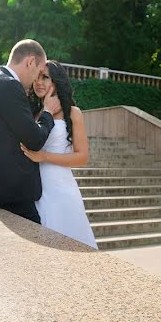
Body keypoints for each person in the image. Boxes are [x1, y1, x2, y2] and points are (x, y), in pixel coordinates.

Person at [0, 40, 61, 223]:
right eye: (38, 73)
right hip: (11, 195)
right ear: (30, 62)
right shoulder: (9, 85)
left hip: (0, 190)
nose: (37, 80)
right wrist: (48, 112)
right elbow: (35, 140)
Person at [21, 60, 98, 249]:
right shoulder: (34, 113)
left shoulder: (73, 113)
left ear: (56, 81)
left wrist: (44, 156)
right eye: (37, 77)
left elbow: (82, 157)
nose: (39, 82)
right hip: (35, 191)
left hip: (61, 191)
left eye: (45, 77)